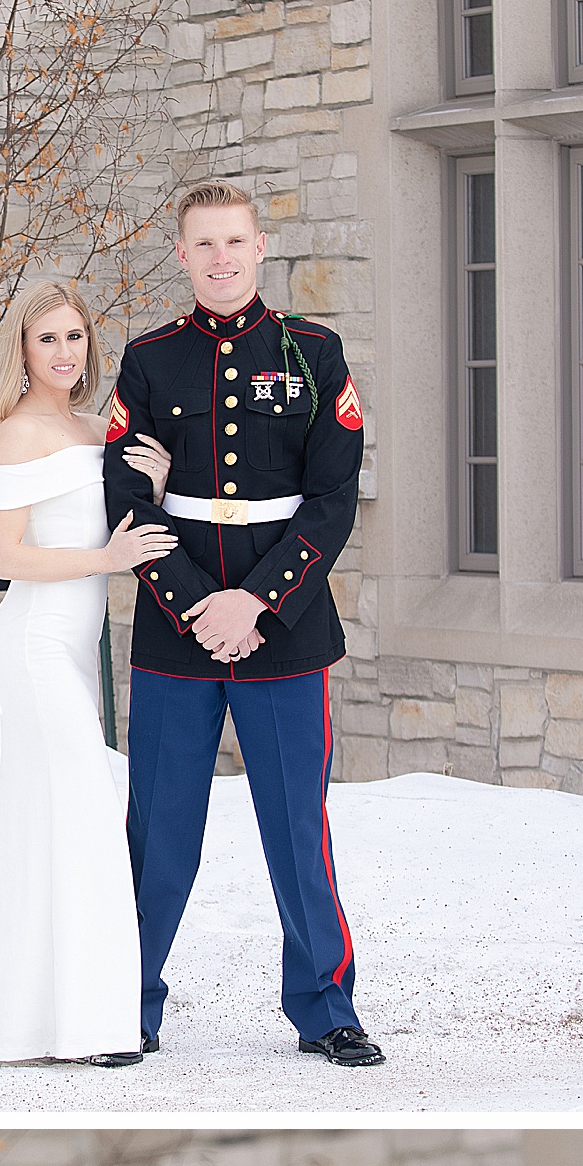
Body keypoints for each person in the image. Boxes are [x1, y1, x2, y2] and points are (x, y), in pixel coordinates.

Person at [104, 182, 386, 1069]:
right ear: (181, 255)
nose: (221, 259)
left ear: (261, 247)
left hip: (286, 630)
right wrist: (197, 605)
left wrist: (256, 603)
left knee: (297, 828)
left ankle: (324, 1007)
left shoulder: (313, 353)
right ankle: (127, 1003)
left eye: (235, 242)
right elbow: (124, 496)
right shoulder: (148, 361)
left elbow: (334, 499)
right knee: (157, 830)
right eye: (203, 245)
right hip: (176, 632)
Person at [0, 280, 178, 1068]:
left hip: (72, 650)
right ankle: (94, 1028)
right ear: (22, 348)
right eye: (46, 338)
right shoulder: (17, 434)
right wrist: (107, 559)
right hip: (32, 645)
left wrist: (149, 491)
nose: (64, 352)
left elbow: (121, 519)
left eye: (75, 337)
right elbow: (2, 555)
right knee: (86, 810)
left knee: (44, 822)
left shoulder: (94, 427)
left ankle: (21, 1025)